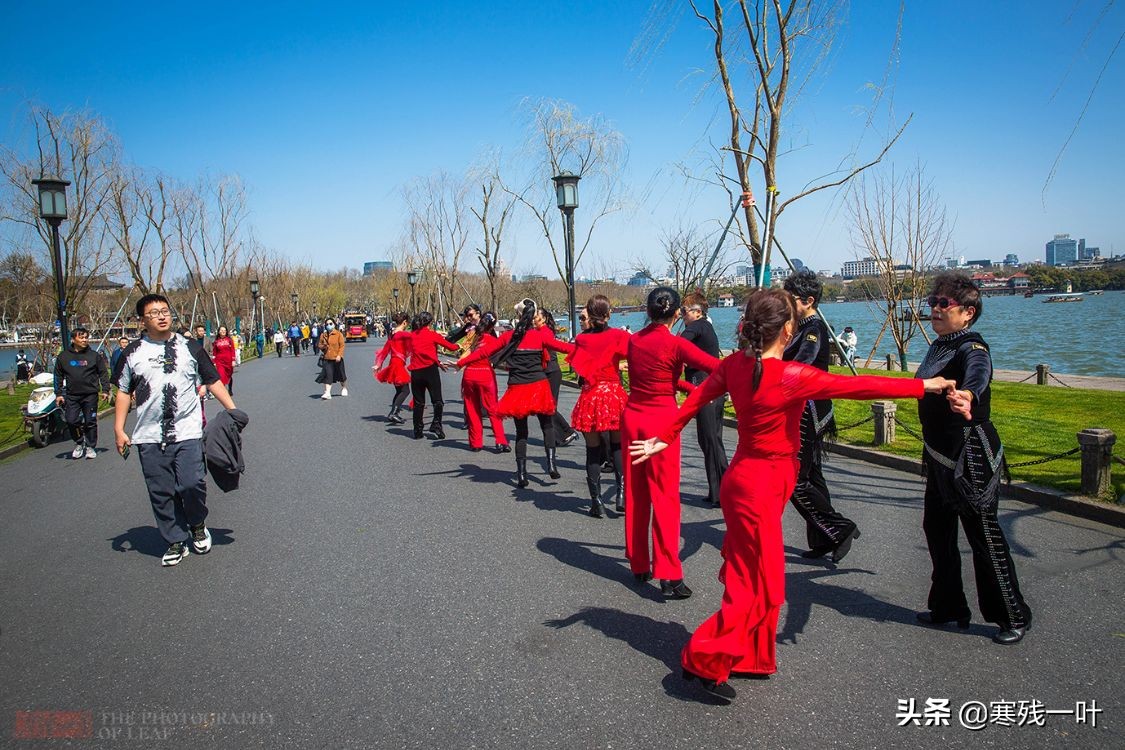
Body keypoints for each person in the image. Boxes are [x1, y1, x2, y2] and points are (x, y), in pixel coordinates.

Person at [629, 287, 956, 702]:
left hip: (754, 482)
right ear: (788, 329)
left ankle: (751, 657)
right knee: (758, 581)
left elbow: (696, 398)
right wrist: (924, 385)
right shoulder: (790, 377)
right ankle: (703, 657)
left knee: (758, 575)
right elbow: (859, 386)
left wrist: (665, 435)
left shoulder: (735, 366)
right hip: (757, 486)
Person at [916, 273, 1032, 645]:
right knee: (937, 530)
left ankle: (1012, 615)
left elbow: (979, 374)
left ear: (968, 312)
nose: (934, 308)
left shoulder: (972, 346)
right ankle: (949, 606)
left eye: (943, 304)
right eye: (932, 301)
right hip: (939, 455)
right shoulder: (939, 345)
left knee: (984, 535)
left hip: (971, 455)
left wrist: (970, 395)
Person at [113, 293, 238, 567]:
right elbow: (123, 391)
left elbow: (212, 379)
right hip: (148, 435)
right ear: (142, 320)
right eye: (154, 312)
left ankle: (196, 523)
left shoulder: (190, 347)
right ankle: (175, 540)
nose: (161, 315)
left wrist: (232, 409)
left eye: (165, 310)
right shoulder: (132, 353)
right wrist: (119, 428)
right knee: (161, 491)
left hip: (188, 430)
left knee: (192, 483)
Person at [622, 287, 719, 599]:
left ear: (648, 311)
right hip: (662, 421)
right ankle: (668, 572)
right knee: (664, 498)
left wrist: (683, 386)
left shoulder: (634, 340)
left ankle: (639, 562)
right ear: (677, 313)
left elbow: (652, 376)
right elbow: (717, 367)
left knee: (637, 493)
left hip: (633, 417)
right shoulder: (676, 344)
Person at [782, 269, 857, 562]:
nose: (787, 305)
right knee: (812, 474)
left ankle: (839, 528)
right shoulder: (799, 325)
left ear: (809, 301)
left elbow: (805, 360)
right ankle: (824, 537)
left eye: (792, 300)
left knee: (794, 478)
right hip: (806, 407)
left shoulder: (814, 328)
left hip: (810, 409)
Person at [541, 294, 630, 517]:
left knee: (592, 451)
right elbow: (630, 356)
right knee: (618, 447)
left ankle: (596, 501)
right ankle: (621, 494)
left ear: (589, 315)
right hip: (613, 394)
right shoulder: (619, 336)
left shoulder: (582, 339)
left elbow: (580, 366)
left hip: (591, 395)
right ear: (609, 314)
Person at [456, 298, 559, 487]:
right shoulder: (541, 335)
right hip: (539, 385)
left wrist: (460, 362)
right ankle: (551, 464)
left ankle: (521, 475)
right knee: (547, 426)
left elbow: (482, 353)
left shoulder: (509, 336)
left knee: (522, 432)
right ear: (533, 316)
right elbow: (566, 348)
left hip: (517, 387)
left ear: (518, 316)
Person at [679, 291, 728, 508]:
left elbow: (679, 345)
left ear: (697, 312)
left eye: (684, 312)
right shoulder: (705, 327)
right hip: (712, 386)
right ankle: (718, 488)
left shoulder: (698, 326)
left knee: (709, 439)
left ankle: (722, 491)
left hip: (705, 386)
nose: (682, 316)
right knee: (711, 439)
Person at [453, 312, 510, 452]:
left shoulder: (473, 337)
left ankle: (475, 442)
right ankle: (500, 440)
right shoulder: (492, 340)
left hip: (470, 374)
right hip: (485, 374)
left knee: (472, 409)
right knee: (493, 409)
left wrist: (459, 363)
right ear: (492, 326)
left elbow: (464, 351)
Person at [53, 327, 111, 459]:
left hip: (90, 395)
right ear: (73, 339)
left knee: (90, 421)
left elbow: (103, 373)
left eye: (86, 337)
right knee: (71, 420)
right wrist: (59, 394)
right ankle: (79, 442)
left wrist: (106, 390)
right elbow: (58, 376)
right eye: (81, 337)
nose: (85, 340)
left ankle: (90, 446)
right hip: (72, 395)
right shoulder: (64, 357)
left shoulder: (94, 356)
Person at [405, 311, 458, 439]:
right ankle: (436, 424)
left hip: (416, 372)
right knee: (437, 400)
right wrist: (461, 345)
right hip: (430, 371)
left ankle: (418, 429)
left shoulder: (411, 335)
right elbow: (451, 347)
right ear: (429, 322)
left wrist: (438, 361)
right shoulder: (432, 335)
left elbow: (420, 351)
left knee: (419, 402)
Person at [535, 309, 580, 448]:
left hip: (552, 372)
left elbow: (560, 347)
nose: (533, 319)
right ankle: (555, 435)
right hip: (543, 372)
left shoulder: (545, 332)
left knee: (549, 407)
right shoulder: (536, 333)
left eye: (536, 316)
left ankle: (567, 432)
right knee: (542, 407)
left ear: (543, 319)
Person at [373, 312, 412, 424]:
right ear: (404, 322)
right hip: (398, 364)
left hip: (394, 363)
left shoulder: (392, 333)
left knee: (399, 390)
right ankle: (393, 413)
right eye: (407, 324)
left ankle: (394, 413)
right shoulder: (401, 334)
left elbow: (386, 349)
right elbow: (415, 337)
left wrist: (379, 363)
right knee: (405, 390)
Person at [317, 318, 348, 399]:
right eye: (327, 324)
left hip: (337, 358)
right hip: (327, 358)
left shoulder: (338, 334)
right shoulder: (323, 335)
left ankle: (344, 388)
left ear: (334, 324)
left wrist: (339, 355)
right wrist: (323, 346)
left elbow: (342, 346)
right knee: (328, 375)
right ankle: (327, 393)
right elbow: (319, 345)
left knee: (341, 375)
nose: (329, 325)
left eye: (330, 324)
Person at [211, 325, 236, 396]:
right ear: (219, 332)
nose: (223, 332)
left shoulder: (229, 340)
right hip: (220, 362)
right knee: (221, 376)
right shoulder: (216, 342)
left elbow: (233, 350)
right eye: (221, 330)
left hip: (228, 361)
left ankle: (230, 389)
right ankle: (223, 391)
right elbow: (214, 353)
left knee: (229, 376)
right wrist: (214, 362)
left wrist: (233, 360)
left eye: (224, 330)